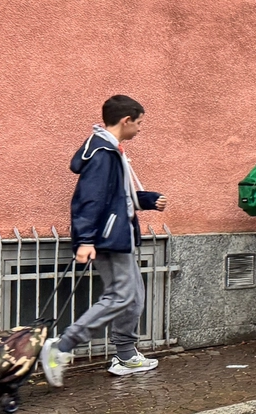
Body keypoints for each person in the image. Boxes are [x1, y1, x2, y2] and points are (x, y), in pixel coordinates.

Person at [41, 95, 167, 386]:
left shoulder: (110, 150)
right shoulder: (102, 153)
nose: (139, 129)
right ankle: (61, 348)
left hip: (117, 235)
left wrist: (147, 200)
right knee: (120, 297)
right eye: (139, 123)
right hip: (107, 238)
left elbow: (116, 196)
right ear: (126, 121)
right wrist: (85, 239)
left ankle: (125, 354)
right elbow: (89, 198)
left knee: (134, 296)